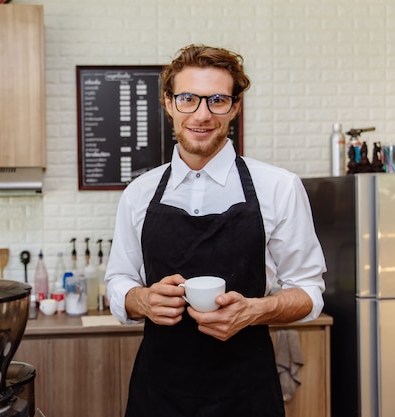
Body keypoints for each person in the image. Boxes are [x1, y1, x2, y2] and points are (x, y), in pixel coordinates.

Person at [104, 44, 326, 417]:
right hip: (158, 394)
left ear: (235, 106)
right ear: (169, 103)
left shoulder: (279, 187)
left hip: (247, 395)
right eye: (189, 98)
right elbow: (119, 279)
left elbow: (309, 292)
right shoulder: (139, 193)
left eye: (218, 100)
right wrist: (141, 300)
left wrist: (254, 311)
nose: (202, 115)